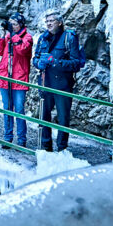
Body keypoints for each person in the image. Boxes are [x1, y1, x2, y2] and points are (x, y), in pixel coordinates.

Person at [32, 11, 86, 152]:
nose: (49, 23)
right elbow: (35, 58)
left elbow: (76, 63)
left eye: (52, 21)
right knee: (44, 116)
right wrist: (38, 63)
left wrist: (55, 62)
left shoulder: (69, 38)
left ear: (60, 22)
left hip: (63, 85)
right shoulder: (43, 38)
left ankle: (62, 148)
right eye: (47, 21)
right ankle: (46, 146)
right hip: (45, 83)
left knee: (63, 118)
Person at [0, 13, 33, 147]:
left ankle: (22, 140)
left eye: (15, 24)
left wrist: (13, 35)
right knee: (7, 108)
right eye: (11, 24)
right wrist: (2, 36)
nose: (12, 26)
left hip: (19, 79)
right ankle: (7, 138)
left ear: (21, 24)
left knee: (19, 109)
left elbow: (23, 50)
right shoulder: (8, 36)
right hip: (5, 76)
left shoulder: (27, 37)